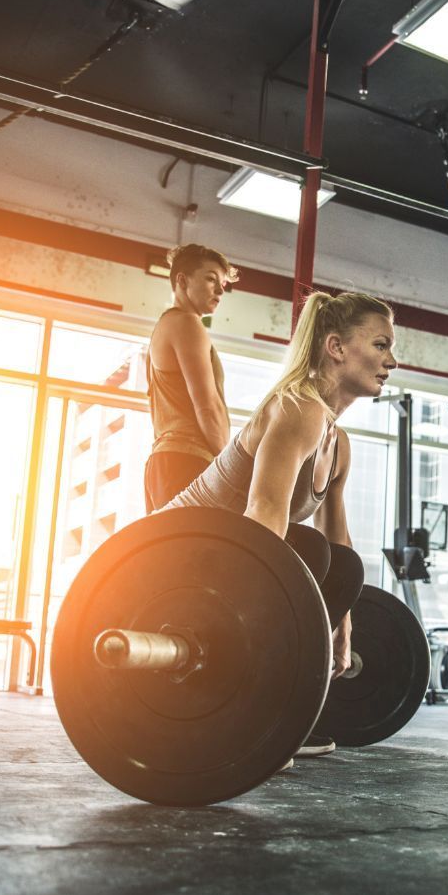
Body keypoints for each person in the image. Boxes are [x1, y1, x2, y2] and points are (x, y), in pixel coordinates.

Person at [167, 290, 397, 758]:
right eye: (380, 345)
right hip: (170, 551)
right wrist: (253, 633)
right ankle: (253, 703)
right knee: (305, 551)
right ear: (336, 348)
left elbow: (342, 548)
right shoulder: (299, 408)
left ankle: (280, 704)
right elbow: (264, 515)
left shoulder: (338, 443)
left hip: (222, 554)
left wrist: (342, 623)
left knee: (339, 562)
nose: (391, 360)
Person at [144, 243, 240, 513]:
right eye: (211, 279)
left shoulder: (162, 328)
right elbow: (207, 407)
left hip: (164, 461)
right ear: (182, 281)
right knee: (193, 554)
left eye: (222, 283)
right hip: (187, 459)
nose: (221, 290)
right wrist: (231, 470)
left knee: (169, 553)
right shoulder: (187, 323)